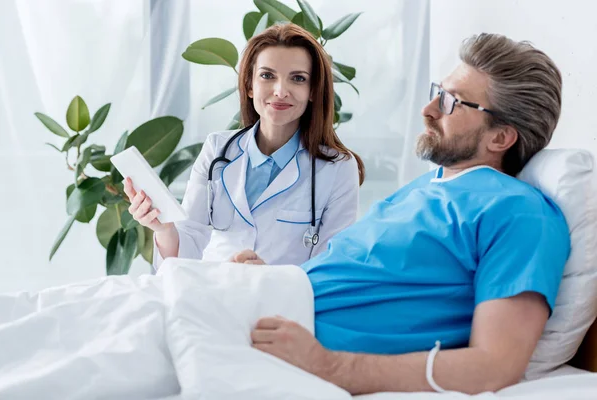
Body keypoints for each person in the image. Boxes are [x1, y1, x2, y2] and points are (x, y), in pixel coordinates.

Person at [233, 33, 571, 395]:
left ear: (501, 138)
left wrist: (329, 366)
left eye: (450, 101)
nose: (428, 109)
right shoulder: (425, 190)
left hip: (271, 346)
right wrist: (278, 281)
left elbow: (494, 366)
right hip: (258, 307)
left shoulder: (519, 213)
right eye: (437, 91)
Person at [124, 23, 365, 268]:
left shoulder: (337, 169)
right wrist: (163, 228)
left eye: (298, 78)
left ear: (313, 90)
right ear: (249, 85)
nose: (280, 91)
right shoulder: (217, 149)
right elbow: (185, 254)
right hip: (209, 295)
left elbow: (331, 270)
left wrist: (268, 278)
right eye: (267, 76)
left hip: (280, 304)